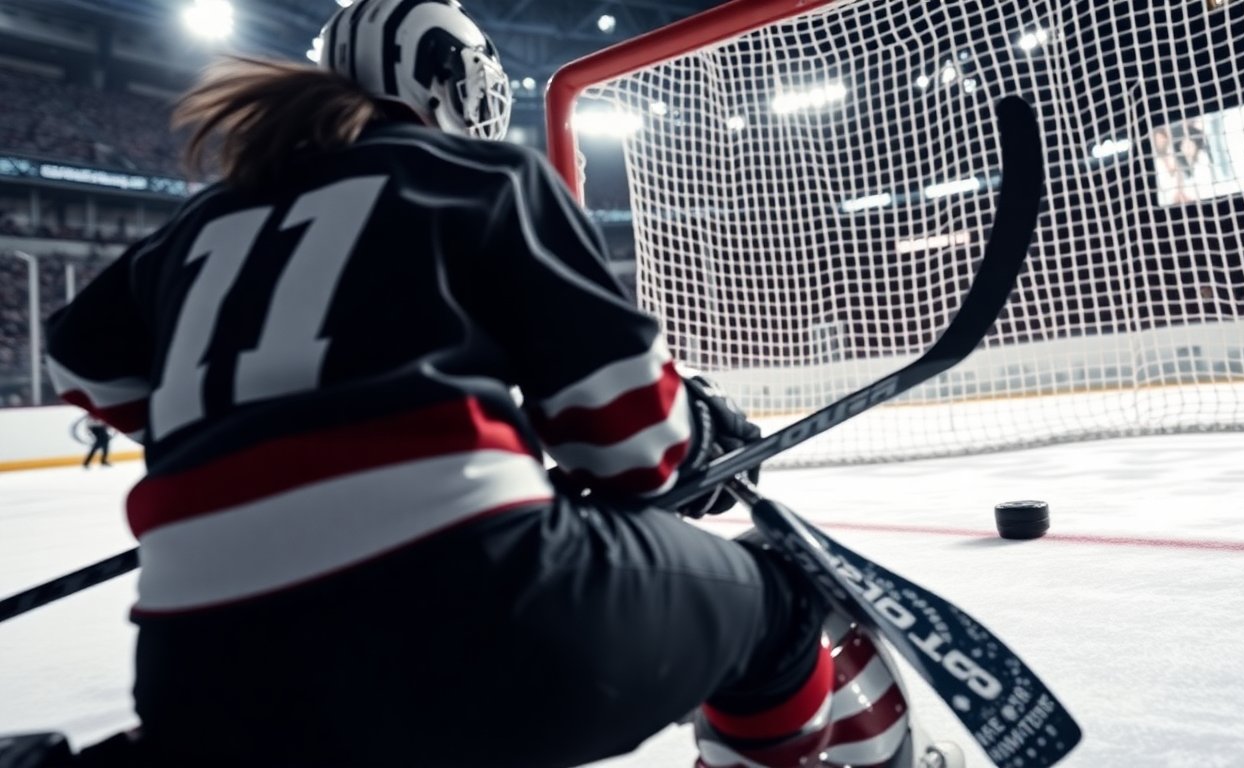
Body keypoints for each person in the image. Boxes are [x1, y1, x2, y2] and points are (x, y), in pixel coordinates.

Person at [40, 1, 959, 766]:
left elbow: (79, 360)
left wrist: (235, 422)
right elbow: (632, 447)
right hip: (483, 625)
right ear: (451, 84)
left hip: (196, 674)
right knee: (785, 606)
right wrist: (703, 435)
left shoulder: (197, 225)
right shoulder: (483, 175)